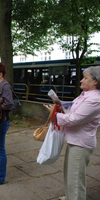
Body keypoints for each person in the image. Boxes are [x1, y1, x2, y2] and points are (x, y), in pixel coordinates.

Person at [45, 66, 100, 200]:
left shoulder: (94, 100)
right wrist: (59, 104)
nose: (81, 80)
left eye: (85, 78)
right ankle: (70, 196)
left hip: (81, 143)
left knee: (75, 178)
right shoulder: (86, 95)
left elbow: (74, 119)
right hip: (75, 140)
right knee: (70, 174)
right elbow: (71, 107)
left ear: (95, 81)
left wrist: (55, 114)